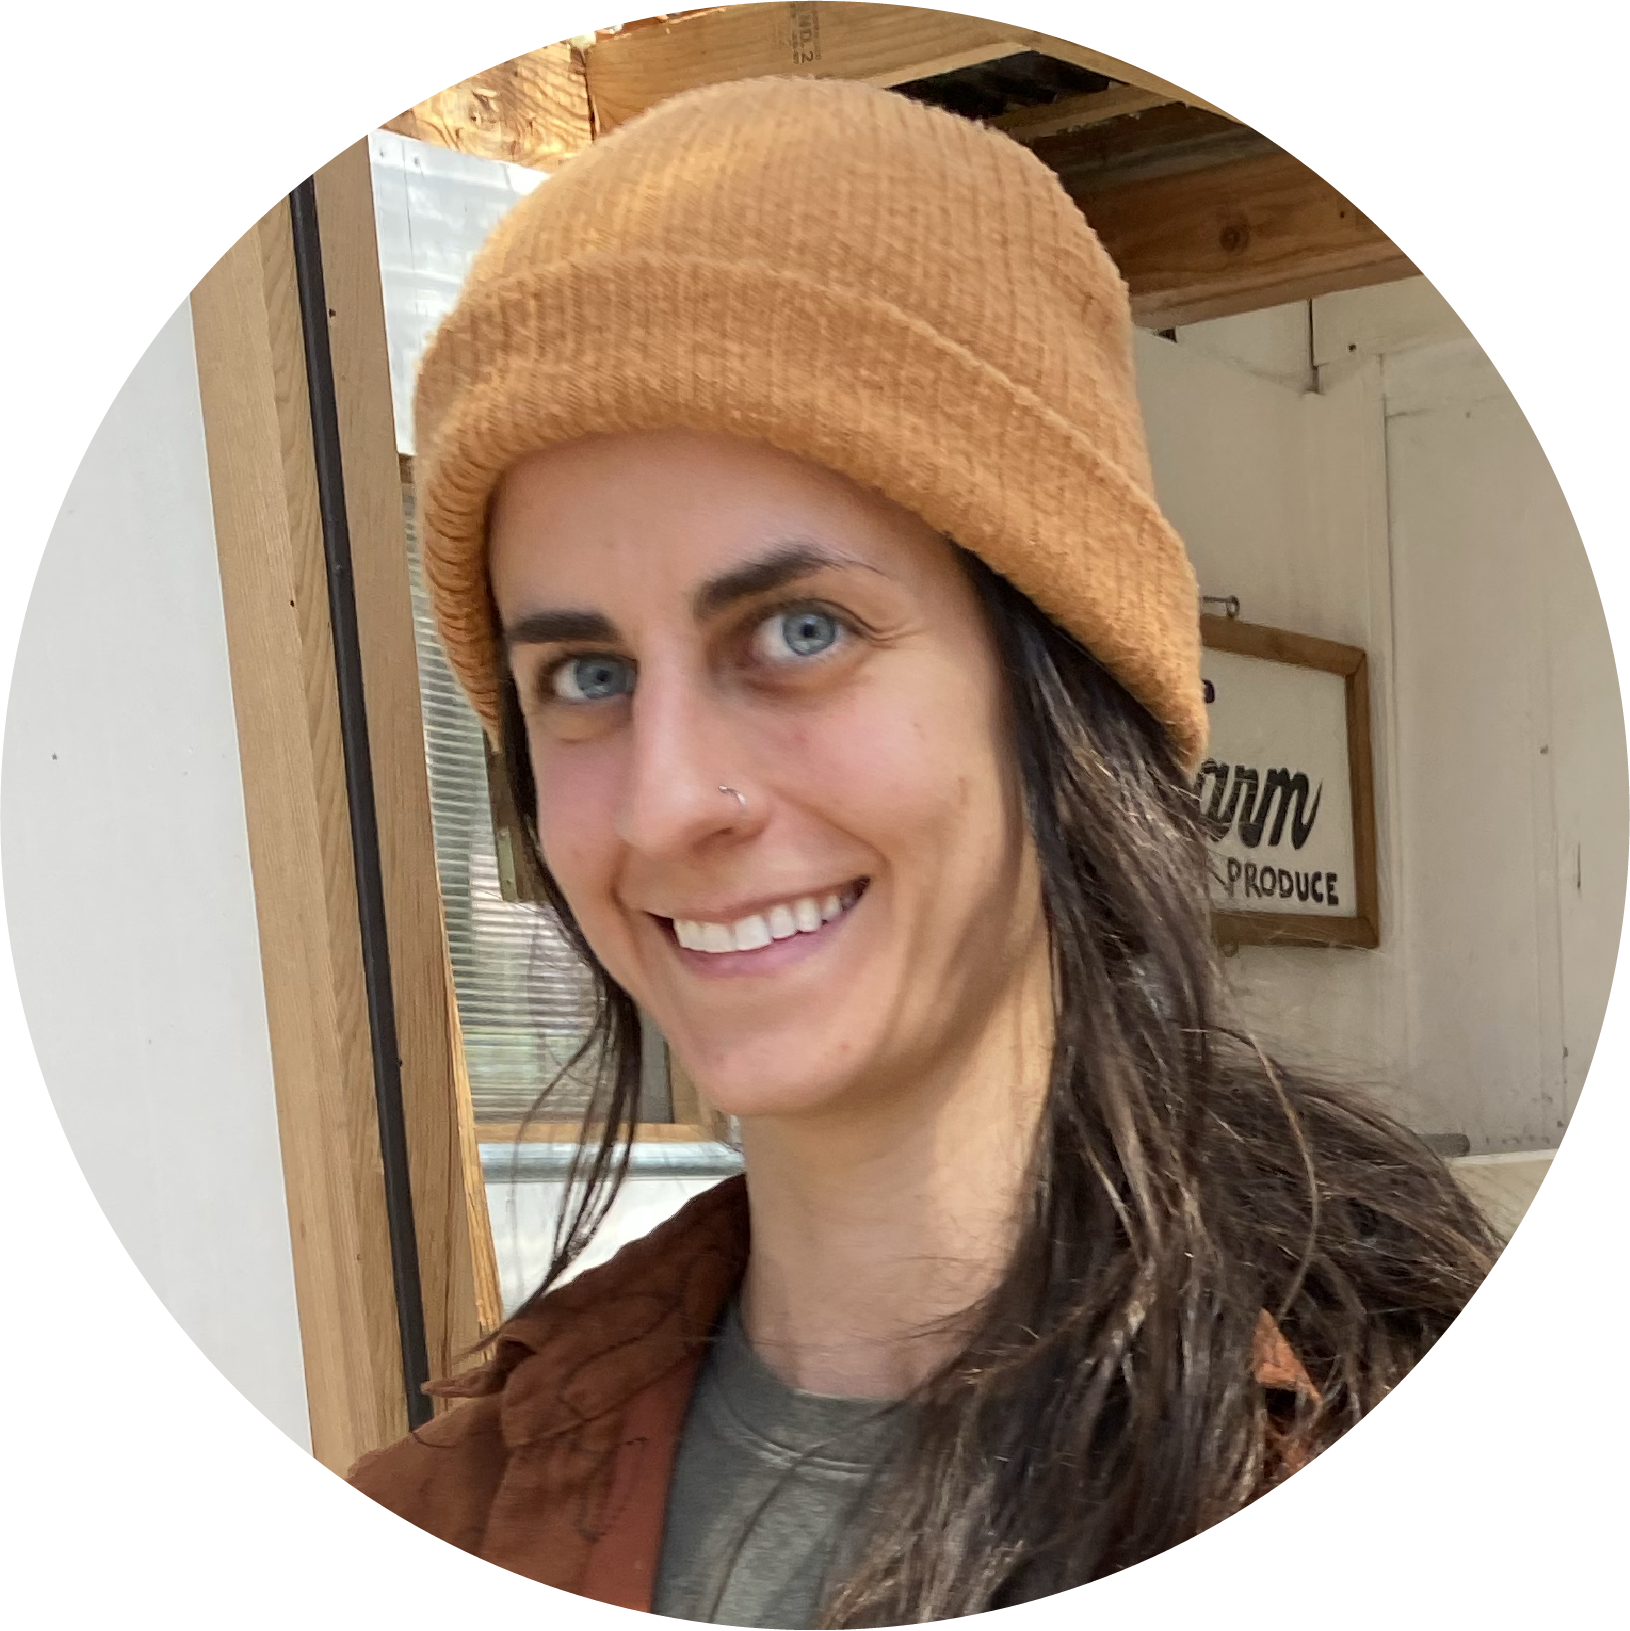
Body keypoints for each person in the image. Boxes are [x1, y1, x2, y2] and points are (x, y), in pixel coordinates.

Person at [346, 74, 1496, 1630]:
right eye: (587, 676)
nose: (668, 797)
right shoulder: (453, 1519)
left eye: (797, 631)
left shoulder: (1456, 1467)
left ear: (1064, 692)